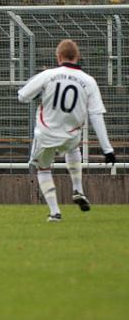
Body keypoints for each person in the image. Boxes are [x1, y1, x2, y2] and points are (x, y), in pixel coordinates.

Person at [18, 39, 116, 222]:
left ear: (59, 56)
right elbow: (96, 115)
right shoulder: (89, 81)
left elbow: (22, 96)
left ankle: (55, 213)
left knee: (44, 169)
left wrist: (40, 92)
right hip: (71, 134)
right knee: (73, 148)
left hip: (45, 134)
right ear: (77, 57)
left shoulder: (49, 75)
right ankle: (78, 188)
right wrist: (107, 149)